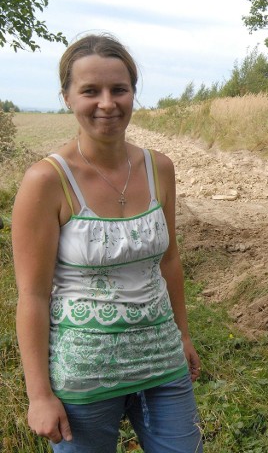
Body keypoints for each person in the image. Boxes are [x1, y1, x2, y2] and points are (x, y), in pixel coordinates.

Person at [12, 33, 203, 452]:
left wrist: (183, 335)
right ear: (66, 97)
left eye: (119, 89)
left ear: (133, 93)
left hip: (162, 365)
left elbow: (169, 261)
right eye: (90, 91)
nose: (107, 103)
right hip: (84, 380)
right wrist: (39, 395)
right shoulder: (46, 182)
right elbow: (33, 295)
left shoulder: (159, 169)